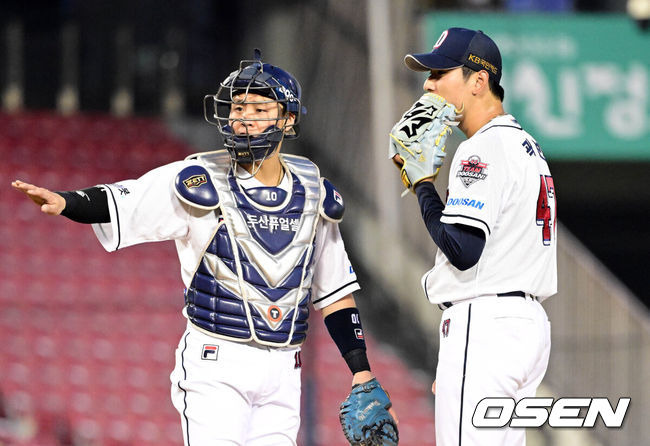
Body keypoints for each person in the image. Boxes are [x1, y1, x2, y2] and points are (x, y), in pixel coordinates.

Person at [12, 50, 397, 446]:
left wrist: (361, 371)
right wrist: (66, 201)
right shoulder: (198, 179)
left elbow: (335, 294)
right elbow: (121, 200)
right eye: (236, 106)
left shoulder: (314, 193)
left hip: (284, 369)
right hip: (216, 364)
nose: (242, 116)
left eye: (257, 107)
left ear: (288, 118)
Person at [390, 28, 557, 445]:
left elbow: (463, 250)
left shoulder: (481, 148)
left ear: (478, 81)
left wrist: (423, 184)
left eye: (440, 72)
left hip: (486, 327)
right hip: (525, 329)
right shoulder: (527, 147)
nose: (427, 84)